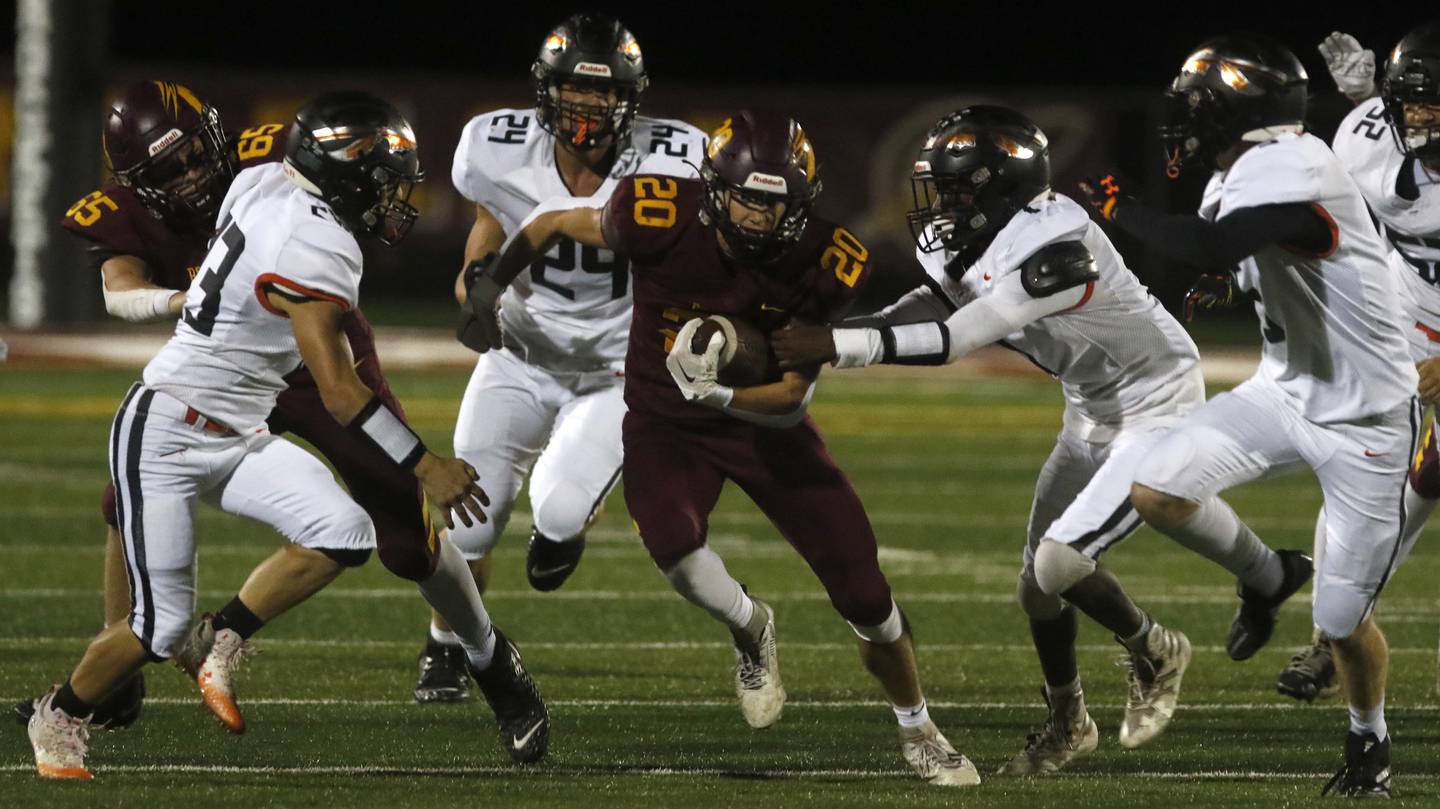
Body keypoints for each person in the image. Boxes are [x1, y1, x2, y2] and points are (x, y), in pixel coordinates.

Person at [26, 93, 548, 780]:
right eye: (386, 179)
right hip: (199, 406)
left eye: (192, 153)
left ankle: (236, 634)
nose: (187, 174)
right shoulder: (312, 236)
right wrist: (427, 462)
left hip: (256, 391)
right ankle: (83, 695)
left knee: (366, 529)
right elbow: (341, 392)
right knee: (153, 607)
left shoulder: (258, 174)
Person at [772, 105, 1290, 774]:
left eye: (958, 191)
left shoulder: (1057, 247)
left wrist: (838, 346)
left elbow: (960, 338)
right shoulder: (960, 237)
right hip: (1089, 401)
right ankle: (1070, 719)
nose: (943, 205)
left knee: (1060, 563)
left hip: (1155, 396)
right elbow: (939, 305)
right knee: (1035, 588)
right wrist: (845, 330)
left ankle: (1158, 646)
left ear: (1004, 191)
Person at [474, 109, 980, 786]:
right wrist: (491, 282)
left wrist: (717, 395)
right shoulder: (654, 213)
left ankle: (919, 727)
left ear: (800, 205)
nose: (756, 216)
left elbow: (792, 399)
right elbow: (550, 222)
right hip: (663, 423)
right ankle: (751, 627)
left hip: (762, 427)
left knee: (865, 590)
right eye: (745, 197)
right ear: (715, 187)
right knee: (672, 546)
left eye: (774, 204)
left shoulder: (827, 262)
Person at [1079, 34, 1419, 798]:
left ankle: (1370, 739)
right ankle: (1268, 577)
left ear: (1239, 112)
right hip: (1287, 390)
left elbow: (1212, 243)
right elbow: (1230, 260)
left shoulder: (1293, 163)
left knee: (1340, 618)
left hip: (1369, 417)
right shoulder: (1242, 168)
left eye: (1198, 108)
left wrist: (1113, 206)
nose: (1184, 122)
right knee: (1157, 486)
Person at [422, 12, 706, 704]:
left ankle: (569, 524)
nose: (587, 112)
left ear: (630, 101)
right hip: (519, 356)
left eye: (603, 97)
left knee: (556, 511)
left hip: (615, 370)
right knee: (472, 520)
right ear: (545, 92)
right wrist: (474, 282)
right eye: (574, 96)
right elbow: (489, 223)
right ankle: (446, 642)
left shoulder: (677, 156)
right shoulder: (495, 147)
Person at [1270, 24, 1440, 706]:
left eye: (1436, 103)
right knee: (1358, 464)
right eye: (1412, 103)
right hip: (1404, 316)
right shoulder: (1366, 137)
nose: (1421, 117)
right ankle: (1329, 631)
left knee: (1427, 478)